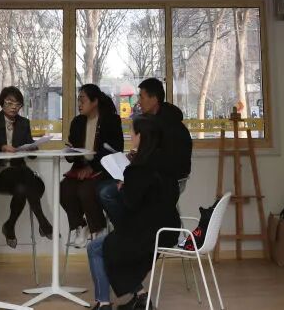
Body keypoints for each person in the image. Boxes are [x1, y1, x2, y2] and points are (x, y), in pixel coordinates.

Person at [86, 116, 179, 310]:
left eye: (132, 132)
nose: (130, 135)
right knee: (117, 244)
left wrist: (125, 187)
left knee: (96, 248)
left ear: (141, 136)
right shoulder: (167, 162)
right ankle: (141, 297)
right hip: (169, 229)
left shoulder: (138, 168)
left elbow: (130, 203)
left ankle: (103, 303)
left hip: (147, 233)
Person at [99, 77, 192, 227]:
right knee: (102, 187)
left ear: (154, 99)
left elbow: (166, 161)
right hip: (151, 176)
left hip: (166, 181)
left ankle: (127, 230)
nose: (139, 102)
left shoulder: (169, 126)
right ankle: (128, 229)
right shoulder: (154, 121)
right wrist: (137, 159)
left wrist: (135, 176)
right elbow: (152, 155)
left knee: (107, 192)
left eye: (141, 97)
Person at [0, 86, 53, 247]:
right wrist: (2, 147)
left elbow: (31, 154)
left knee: (22, 187)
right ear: (2, 103)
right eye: (10, 103)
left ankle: (10, 225)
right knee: (27, 179)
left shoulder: (24, 123)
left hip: (19, 175)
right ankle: (43, 222)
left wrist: (33, 148)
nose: (14, 107)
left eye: (18, 104)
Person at [61, 84, 124, 248]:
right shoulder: (77, 122)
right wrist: (70, 153)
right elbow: (73, 149)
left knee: (86, 190)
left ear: (94, 101)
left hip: (103, 169)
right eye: (78, 100)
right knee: (64, 189)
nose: (79, 104)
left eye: (82, 100)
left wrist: (92, 168)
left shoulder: (111, 120)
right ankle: (80, 226)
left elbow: (115, 149)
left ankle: (98, 229)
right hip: (80, 168)